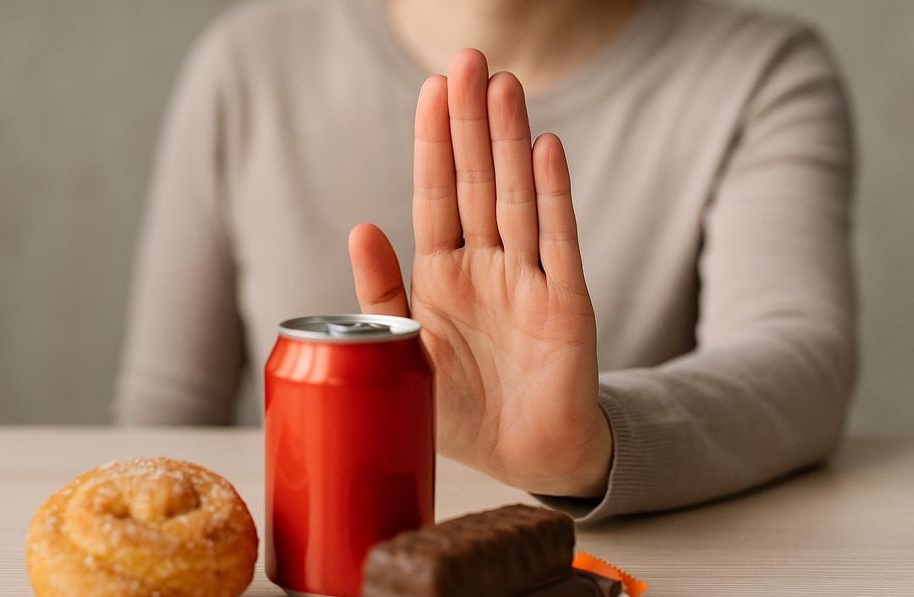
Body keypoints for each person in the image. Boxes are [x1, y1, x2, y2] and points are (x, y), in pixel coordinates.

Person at [115, 0, 856, 521]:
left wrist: (592, 444)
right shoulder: (246, 65)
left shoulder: (761, 73)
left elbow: (800, 359)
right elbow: (164, 419)